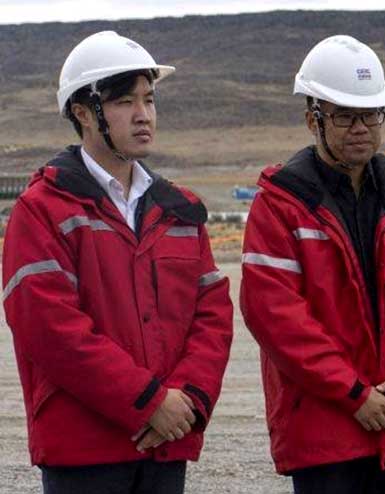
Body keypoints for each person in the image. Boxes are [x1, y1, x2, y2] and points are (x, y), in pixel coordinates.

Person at [1, 31, 233, 493]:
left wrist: (187, 401)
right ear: (83, 113)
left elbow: (213, 315)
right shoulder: (42, 209)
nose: (144, 114)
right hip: (85, 450)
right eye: (125, 102)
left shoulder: (179, 210)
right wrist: (149, 402)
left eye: (149, 99)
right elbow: (50, 329)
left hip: (166, 442)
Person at [240, 35, 385, 494]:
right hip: (325, 428)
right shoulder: (281, 206)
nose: (360, 128)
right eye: (344, 116)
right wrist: (352, 393)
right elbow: (276, 318)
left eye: (371, 114)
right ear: (313, 120)